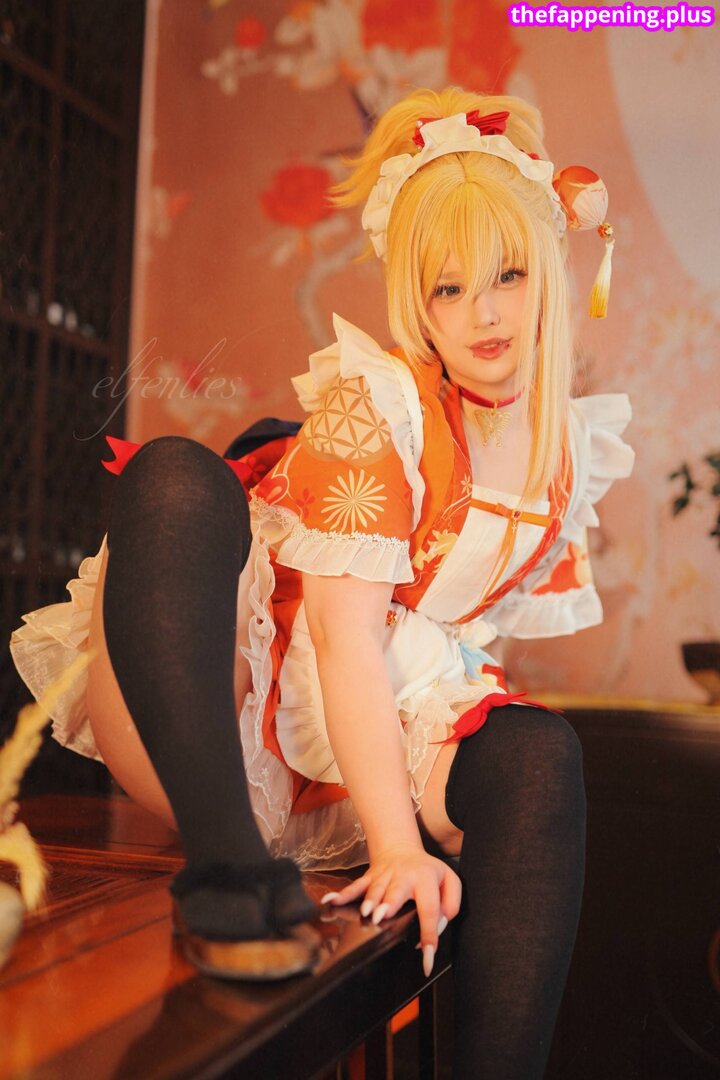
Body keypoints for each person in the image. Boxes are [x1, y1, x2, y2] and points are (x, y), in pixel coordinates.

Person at [11, 86, 634, 1078]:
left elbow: (445, 653)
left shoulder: (568, 455)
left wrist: (424, 816)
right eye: (447, 289)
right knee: (175, 474)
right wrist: (396, 844)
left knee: (539, 753)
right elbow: (341, 643)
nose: (484, 313)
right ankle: (227, 874)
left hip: (373, 738)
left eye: (509, 275)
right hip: (221, 716)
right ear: (415, 303)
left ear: (551, 270)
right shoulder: (378, 407)